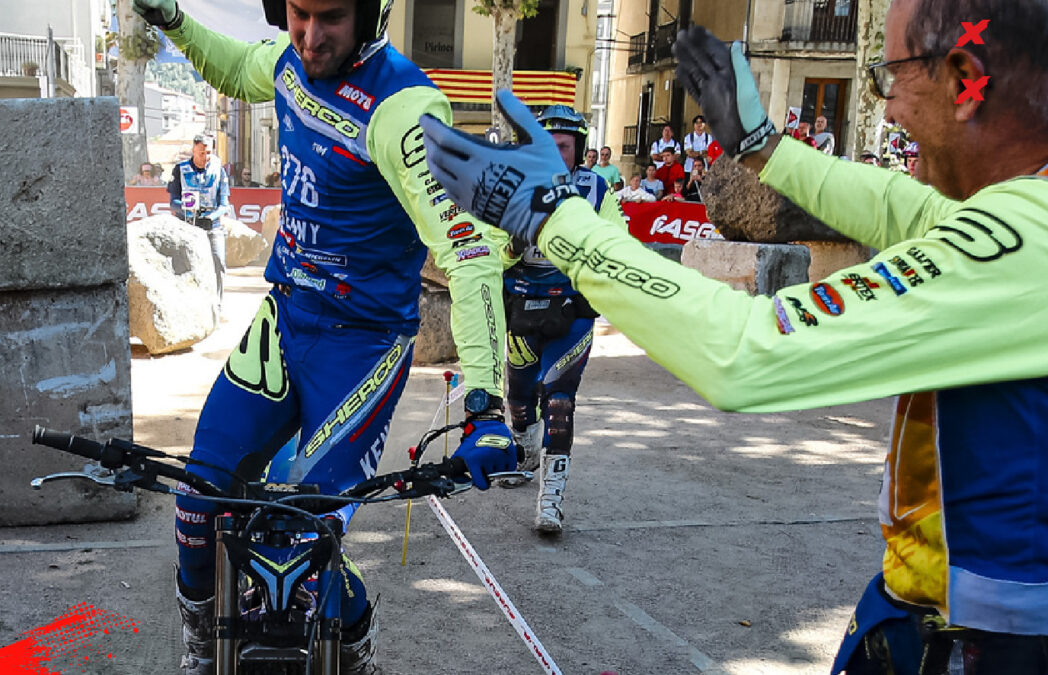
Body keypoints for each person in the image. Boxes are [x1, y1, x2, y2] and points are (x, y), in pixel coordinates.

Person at [416, 0, 1048, 670]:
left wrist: (552, 218)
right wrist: (760, 146)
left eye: (889, 77)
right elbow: (903, 208)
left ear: (964, 79)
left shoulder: (1026, 243)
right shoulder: (1017, 208)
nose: (886, 111)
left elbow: (748, 351)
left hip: (989, 645)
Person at [132, 0, 517, 673]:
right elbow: (234, 67)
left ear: (370, 12)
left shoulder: (405, 110)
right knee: (199, 496)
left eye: (331, 17)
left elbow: (470, 252)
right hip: (286, 320)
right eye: (298, 14)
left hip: (364, 343)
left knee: (299, 536)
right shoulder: (286, 62)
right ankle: (201, 634)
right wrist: (173, 21)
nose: (311, 36)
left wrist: (485, 404)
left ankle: (354, 634)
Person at [496, 104, 623, 535]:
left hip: (570, 310)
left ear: (579, 150)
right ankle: (526, 453)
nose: (555, 153)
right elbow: (488, 253)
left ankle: (550, 501)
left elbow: (616, 246)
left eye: (564, 147)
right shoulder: (512, 187)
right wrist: (513, 243)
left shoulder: (597, 191)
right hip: (521, 308)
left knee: (559, 403)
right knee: (519, 399)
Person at [168, 134, 230, 313]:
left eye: (208, 152)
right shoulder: (180, 169)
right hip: (187, 225)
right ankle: (184, 304)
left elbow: (224, 204)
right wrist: (188, 209)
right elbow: (173, 202)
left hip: (213, 226)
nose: (205, 157)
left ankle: (217, 306)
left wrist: (211, 217)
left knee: (218, 264)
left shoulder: (219, 169)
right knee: (181, 265)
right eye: (201, 153)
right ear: (193, 150)